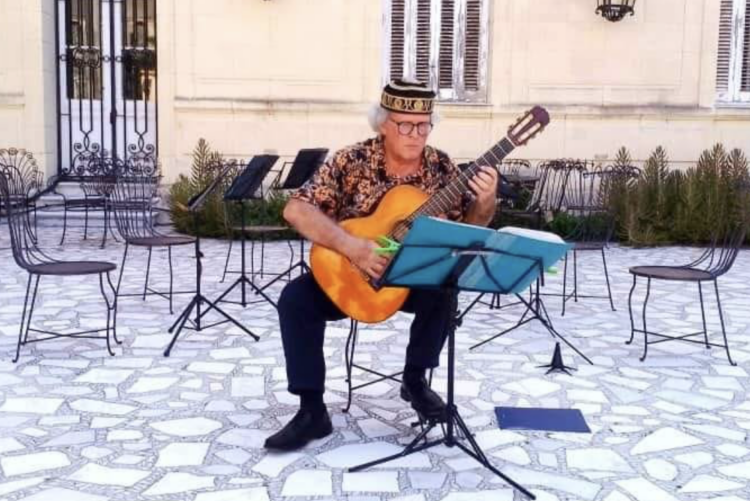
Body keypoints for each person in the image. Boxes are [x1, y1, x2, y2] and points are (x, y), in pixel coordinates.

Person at [264, 79, 498, 451]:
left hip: (408, 282)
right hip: (352, 277)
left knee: (445, 290)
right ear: (383, 124)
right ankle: (312, 411)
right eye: (405, 124)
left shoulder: (441, 168)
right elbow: (296, 208)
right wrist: (352, 246)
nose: (416, 134)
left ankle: (415, 381)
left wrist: (484, 206)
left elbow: (464, 236)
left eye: (424, 125)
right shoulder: (351, 160)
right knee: (296, 299)